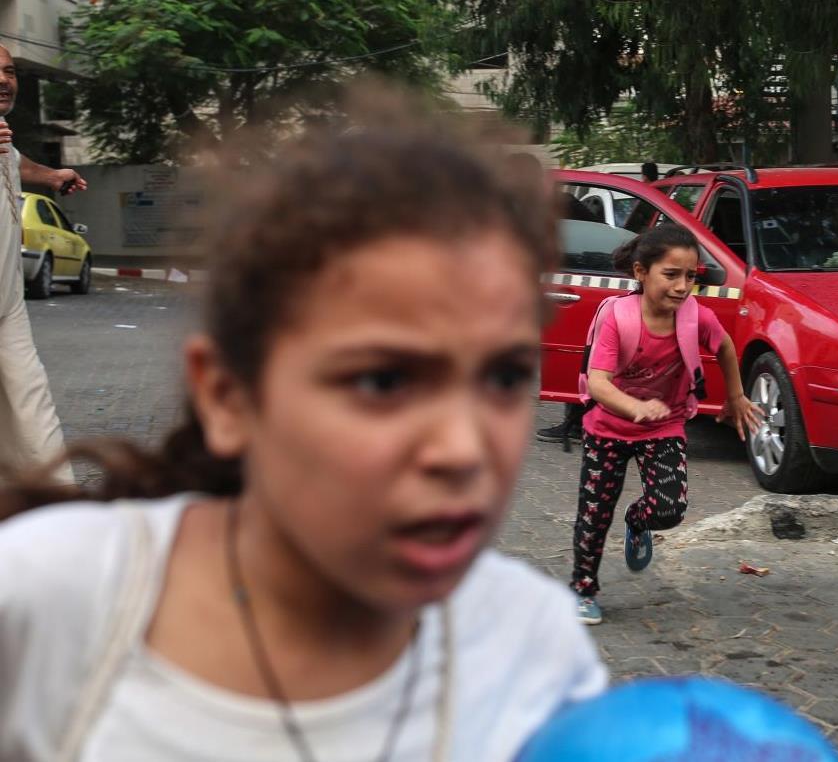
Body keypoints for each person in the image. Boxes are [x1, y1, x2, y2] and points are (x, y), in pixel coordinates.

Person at [0, 95, 607, 760]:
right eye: (382, 381)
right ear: (227, 395)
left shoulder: (533, 646)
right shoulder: (45, 599)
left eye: (504, 376)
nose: (463, 450)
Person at [570, 224, 760, 624]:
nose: (681, 286)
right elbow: (599, 383)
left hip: (664, 426)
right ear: (641, 272)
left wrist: (736, 395)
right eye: (671, 275)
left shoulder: (697, 319)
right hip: (607, 429)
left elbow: (725, 346)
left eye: (690, 277)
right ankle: (583, 589)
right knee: (593, 515)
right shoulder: (617, 319)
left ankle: (637, 521)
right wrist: (633, 406)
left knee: (670, 508)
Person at [0, 43, 87, 486]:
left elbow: (17, 164)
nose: (3, 79)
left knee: (32, 407)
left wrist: (52, 176)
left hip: (7, 305)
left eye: (10, 71)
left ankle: (54, 508)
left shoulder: (3, 136)